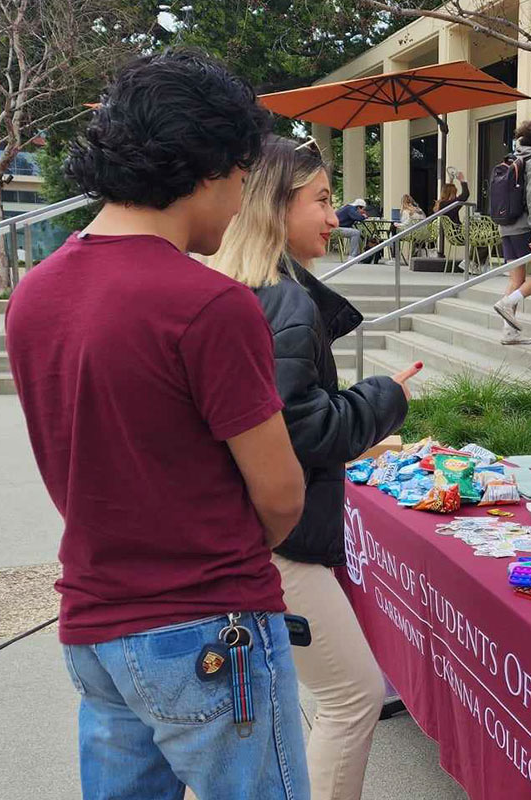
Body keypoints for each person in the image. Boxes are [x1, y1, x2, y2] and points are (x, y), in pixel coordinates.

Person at [5, 50, 310, 798]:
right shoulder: (208, 304)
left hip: (95, 625)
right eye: (243, 179)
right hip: (210, 627)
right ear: (208, 168)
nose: (242, 203)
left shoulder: (34, 294)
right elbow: (280, 495)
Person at [211, 135, 419, 800]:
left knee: (248, 711)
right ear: (274, 206)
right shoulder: (285, 301)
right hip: (282, 543)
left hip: (239, 535)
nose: (337, 217)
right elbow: (299, 430)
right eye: (323, 201)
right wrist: (386, 397)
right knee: (353, 695)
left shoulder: (240, 289)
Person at [493, 119, 531, 345]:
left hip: (506, 227)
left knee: (517, 278)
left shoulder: (513, 159)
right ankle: (507, 303)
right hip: (526, 228)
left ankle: (509, 333)